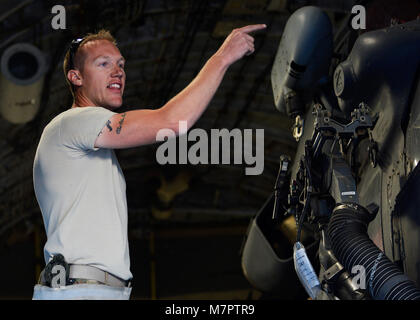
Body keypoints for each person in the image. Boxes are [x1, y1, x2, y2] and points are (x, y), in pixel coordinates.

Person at [32, 23, 266, 300]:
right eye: (103, 63)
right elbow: (170, 122)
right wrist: (222, 57)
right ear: (76, 77)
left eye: (120, 64)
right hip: (80, 291)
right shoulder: (72, 123)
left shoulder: (87, 144)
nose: (117, 71)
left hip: (93, 289)